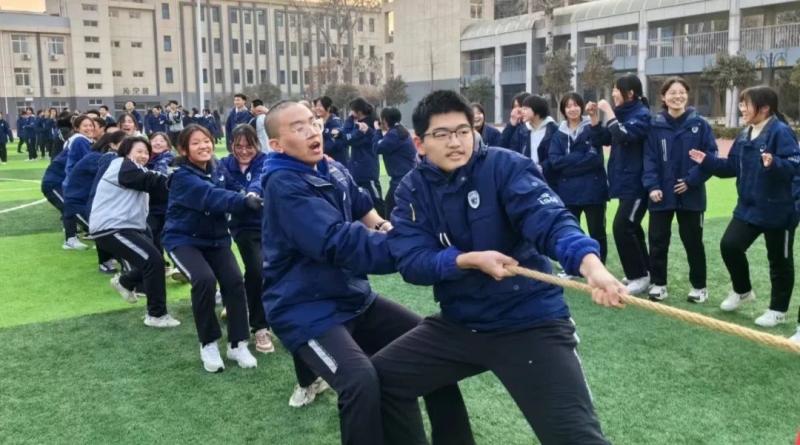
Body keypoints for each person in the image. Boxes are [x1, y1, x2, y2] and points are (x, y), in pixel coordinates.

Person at [371, 89, 618, 445]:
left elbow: (548, 218)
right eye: (442, 134)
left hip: (530, 322)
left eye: (463, 131)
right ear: (420, 143)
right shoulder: (411, 189)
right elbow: (411, 261)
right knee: (380, 381)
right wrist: (465, 260)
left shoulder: (505, 166)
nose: (455, 142)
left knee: (576, 439)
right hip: (461, 324)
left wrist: (590, 265)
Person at [261, 101, 466, 445]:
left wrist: (387, 227)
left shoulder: (330, 167)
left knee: (433, 353)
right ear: (276, 145)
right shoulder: (283, 184)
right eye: (298, 128)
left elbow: (360, 204)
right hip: (304, 308)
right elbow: (337, 241)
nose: (312, 131)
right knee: (360, 380)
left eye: (313, 122)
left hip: (353, 297)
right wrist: (408, 250)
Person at [689, 86, 800, 343]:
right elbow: (731, 167)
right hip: (748, 207)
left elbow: (795, 166)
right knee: (730, 245)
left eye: (745, 104)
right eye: (741, 104)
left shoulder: (781, 132)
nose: (742, 109)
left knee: (779, 261)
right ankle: (742, 291)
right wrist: (707, 161)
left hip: (779, 209)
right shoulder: (744, 134)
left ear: (765, 108)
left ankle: (778, 310)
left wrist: (774, 163)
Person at [162, 124, 261, 372]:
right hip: (183, 240)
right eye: (196, 143)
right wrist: (245, 202)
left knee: (234, 282)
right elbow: (212, 196)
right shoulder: (182, 176)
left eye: (206, 141)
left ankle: (238, 344)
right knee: (204, 280)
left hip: (216, 240)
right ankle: (208, 343)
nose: (203, 146)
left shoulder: (217, 167)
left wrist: (249, 194)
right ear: (183, 149)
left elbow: (233, 188)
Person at [89, 136, 180, 328]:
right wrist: (181, 178)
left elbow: (159, 188)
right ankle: (156, 315)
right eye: (139, 151)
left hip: (125, 226)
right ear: (126, 152)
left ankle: (125, 282)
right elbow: (154, 180)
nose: (144, 155)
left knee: (155, 262)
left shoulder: (134, 170)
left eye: (146, 152)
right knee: (153, 261)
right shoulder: (122, 165)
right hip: (112, 227)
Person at [643, 77, 716, 303]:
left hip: (691, 194)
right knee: (657, 241)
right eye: (672, 93)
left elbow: (711, 157)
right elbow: (649, 158)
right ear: (663, 97)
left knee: (693, 242)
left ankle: (699, 287)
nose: (678, 96)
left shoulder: (700, 124)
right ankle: (658, 284)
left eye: (682, 92)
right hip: (661, 194)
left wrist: (691, 180)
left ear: (687, 95)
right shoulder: (655, 125)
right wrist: (653, 186)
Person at [589, 73, 652, 295]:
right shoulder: (624, 113)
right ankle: (646, 271)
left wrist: (608, 112)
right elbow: (603, 139)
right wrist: (595, 118)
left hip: (638, 183)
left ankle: (638, 276)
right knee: (632, 228)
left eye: (616, 89)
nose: (613, 93)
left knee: (622, 227)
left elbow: (623, 134)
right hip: (624, 182)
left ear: (630, 93)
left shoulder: (641, 114)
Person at [219, 124, 274, 353]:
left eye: (248, 146)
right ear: (231, 145)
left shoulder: (265, 160)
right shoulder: (224, 164)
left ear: (257, 145)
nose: (243, 151)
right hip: (243, 225)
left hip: (270, 224)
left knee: (272, 271)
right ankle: (260, 327)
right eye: (238, 146)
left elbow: (259, 180)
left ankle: (242, 302)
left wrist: (252, 194)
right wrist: (244, 199)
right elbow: (222, 187)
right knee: (257, 269)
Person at [548, 92, 609, 275]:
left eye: (576, 105)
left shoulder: (592, 128)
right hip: (569, 191)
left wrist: (569, 163)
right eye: (568, 106)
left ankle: (599, 269)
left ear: (581, 107)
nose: (572, 109)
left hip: (594, 190)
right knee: (570, 231)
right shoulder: (558, 134)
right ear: (563, 110)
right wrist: (581, 157)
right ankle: (571, 268)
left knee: (597, 231)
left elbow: (595, 160)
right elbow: (555, 162)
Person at [64, 132, 121, 274]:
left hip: (87, 203)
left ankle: (111, 258)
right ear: (111, 145)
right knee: (104, 231)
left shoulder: (98, 157)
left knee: (107, 230)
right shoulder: (97, 158)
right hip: (78, 204)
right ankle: (105, 262)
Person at [337, 97, 385, 217]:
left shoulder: (370, 124)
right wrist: (349, 122)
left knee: (377, 201)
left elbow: (350, 140)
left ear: (358, 111)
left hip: (368, 169)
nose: (351, 113)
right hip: (356, 169)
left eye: (352, 110)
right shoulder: (355, 123)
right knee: (356, 202)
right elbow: (346, 136)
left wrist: (353, 132)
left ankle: (387, 223)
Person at [372, 106, 415, 216]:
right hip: (406, 174)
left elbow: (378, 148)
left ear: (385, 120)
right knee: (394, 203)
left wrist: (377, 130)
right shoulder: (399, 130)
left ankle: (393, 225)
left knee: (392, 204)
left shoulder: (394, 134)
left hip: (401, 177)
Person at [145, 132, 176, 277]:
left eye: (162, 141)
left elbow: (161, 172)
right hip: (150, 206)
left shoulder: (168, 157)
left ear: (168, 145)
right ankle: (161, 265)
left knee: (170, 235)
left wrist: (155, 174)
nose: (157, 143)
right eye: (154, 140)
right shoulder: (144, 157)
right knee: (152, 235)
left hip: (167, 205)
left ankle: (179, 267)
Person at [520, 94, 559, 189]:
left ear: (537, 110)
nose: (522, 112)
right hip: (526, 178)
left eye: (525, 109)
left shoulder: (554, 130)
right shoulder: (522, 130)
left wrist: (542, 167)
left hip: (548, 181)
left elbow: (556, 156)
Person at [315, 96, 346, 165]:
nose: (317, 108)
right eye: (316, 106)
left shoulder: (335, 122)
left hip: (335, 161)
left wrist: (320, 150)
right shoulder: (317, 122)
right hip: (323, 159)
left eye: (320, 106)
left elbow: (333, 142)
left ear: (328, 108)